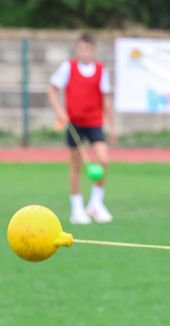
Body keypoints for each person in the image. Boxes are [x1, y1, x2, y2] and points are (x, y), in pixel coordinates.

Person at [48, 32, 115, 225]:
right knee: (76, 166)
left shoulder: (102, 70)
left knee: (103, 160)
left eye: (88, 49)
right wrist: (60, 113)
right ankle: (76, 208)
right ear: (77, 50)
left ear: (93, 50)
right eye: (81, 49)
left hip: (94, 122)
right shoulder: (68, 67)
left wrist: (112, 124)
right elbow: (52, 89)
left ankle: (95, 203)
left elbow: (105, 99)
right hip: (74, 124)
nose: (84, 52)